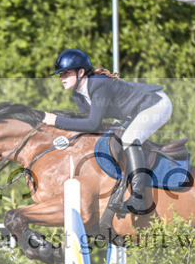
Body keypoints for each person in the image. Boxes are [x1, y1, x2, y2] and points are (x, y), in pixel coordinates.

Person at [42, 48, 172, 215]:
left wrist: (56, 120)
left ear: (81, 72)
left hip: (156, 104)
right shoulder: (78, 94)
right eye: (60, 74)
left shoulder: (99, 84)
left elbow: (93, 124)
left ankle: (139, 198)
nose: (61, 77)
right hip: (135, 111)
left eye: (65, 73)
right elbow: (85, 124)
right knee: (116, 139)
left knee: (129, 139)